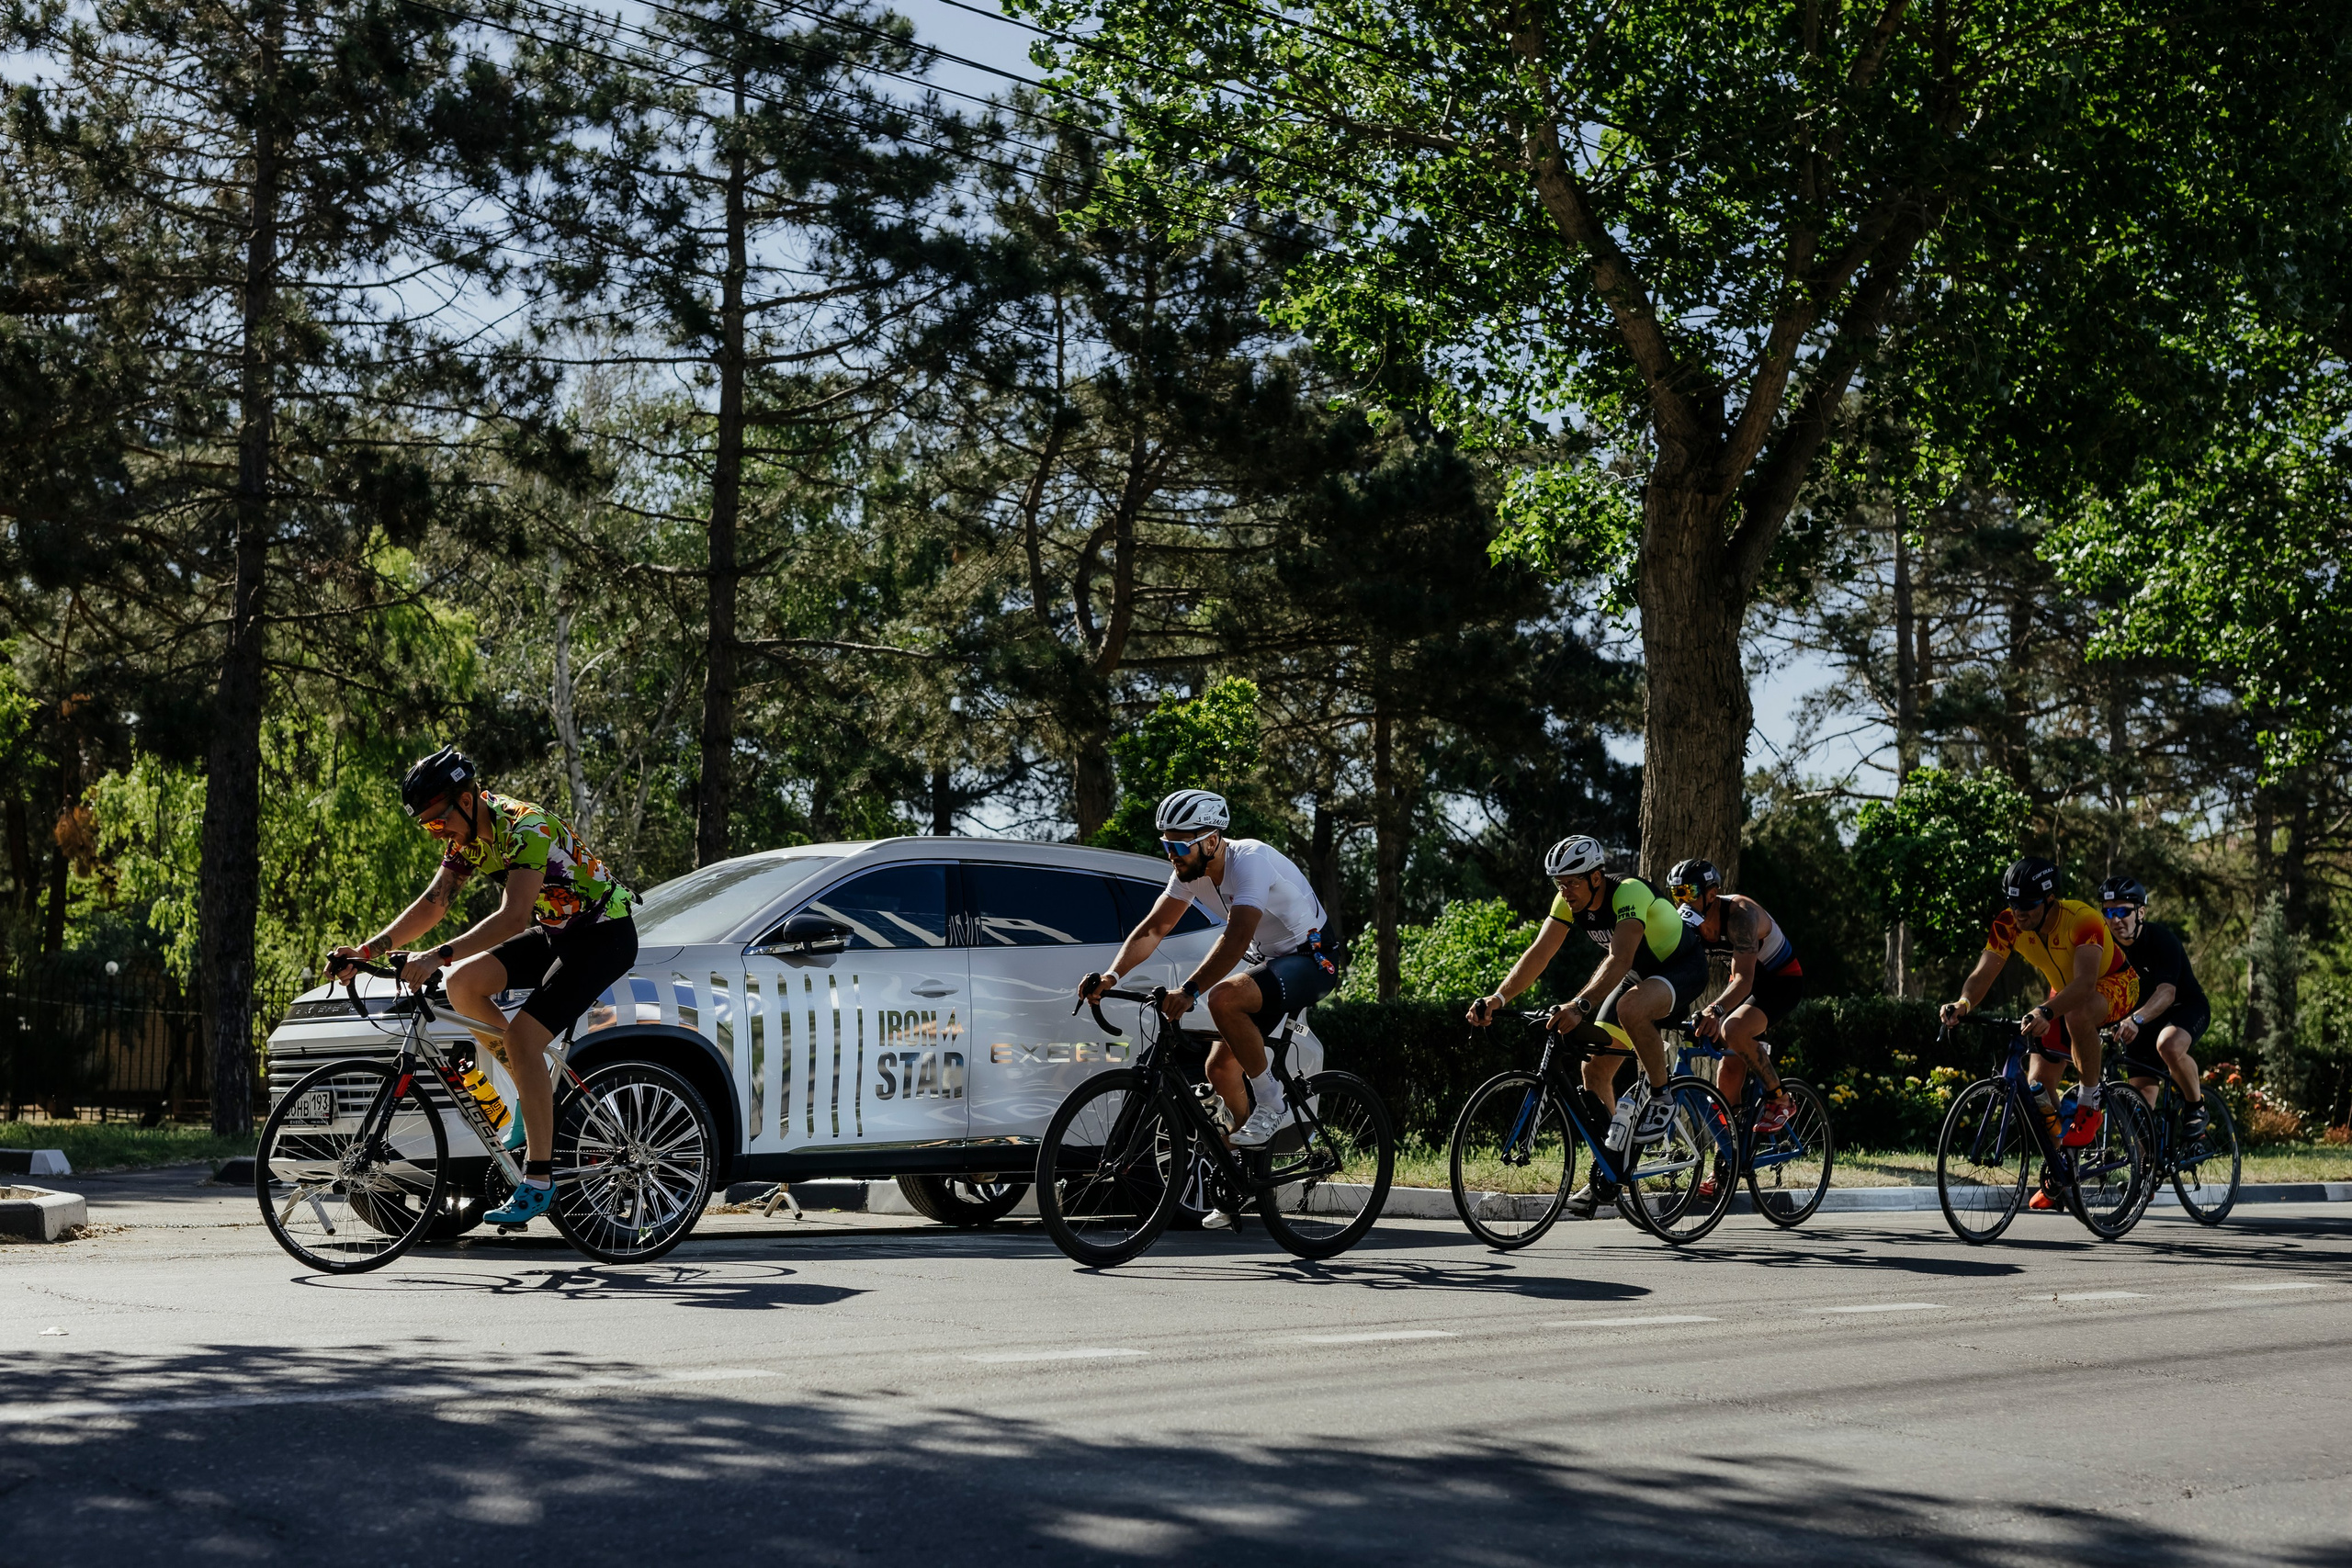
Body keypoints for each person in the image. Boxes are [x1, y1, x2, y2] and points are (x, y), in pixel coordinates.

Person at [327, 747, 639, 1228]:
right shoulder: (467, 839)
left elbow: (513, 917)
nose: (439, 832)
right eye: (428, 827)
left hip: (604, 935)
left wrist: (434, 955)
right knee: (463, 983)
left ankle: (538, 1180)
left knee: (520, 1038)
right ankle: (528, 1091)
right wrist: (365, 952)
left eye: (439, 821)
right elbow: (434, 903)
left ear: (468, 799)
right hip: (559, 931)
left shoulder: (525, 826)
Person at [1079, 789, 1339, 1156]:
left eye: (1181, 847)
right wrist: (1111, 976)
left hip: (1312, 958)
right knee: (1218, 1069)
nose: (1173, 855)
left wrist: (1189, 990)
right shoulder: (1188, 872)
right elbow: (1154, 929)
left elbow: (1237, 936)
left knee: (1223, 997)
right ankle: (1245, 1169)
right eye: (1167, 844)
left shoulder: (1250, 860)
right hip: (1269, 959)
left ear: (1212, 840)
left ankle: (1273, 1104)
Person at [1466, 834, 1708, 1219]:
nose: (1566, 890)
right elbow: (1539, 954)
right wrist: (1499, 998)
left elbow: (1620, 956)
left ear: (1597, 876)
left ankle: (1662, 1096)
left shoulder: (1628, 893)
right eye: (1559, 883)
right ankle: (1614, 1164)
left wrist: (1580, 1005)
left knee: (1630, 1007)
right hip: (1636, 977)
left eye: (1573, 881)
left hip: (1681, 968)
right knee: (1593, 1068)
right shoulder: (1567, 901)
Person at [1940, 856, 2140, 1210]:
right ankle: (2062, 1170)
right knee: (2037, 1087)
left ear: (2049, 899)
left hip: (2112, 985)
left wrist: (2048, 1011)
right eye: (2013, 903)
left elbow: (2084, 985)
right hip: (2062, 995)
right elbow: (1984, 972)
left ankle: (2090, 1103)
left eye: (2028, 905)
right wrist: (1963, 1004)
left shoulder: (2083, 920)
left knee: (2078, 1013)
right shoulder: (2009, 923)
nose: (2019, 912)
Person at [1666, 857, 1801, 1136]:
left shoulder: (1741, 914)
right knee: (1727, 1072)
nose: (1682, 901)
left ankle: (1780, 1099)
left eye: (1689, 893)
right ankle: (1727, 1157)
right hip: (1744, 982)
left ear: (1711, 893)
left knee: (1733, 1028)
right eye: (1677, 894)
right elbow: (1677, 970)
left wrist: (1715, 1010)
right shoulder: (1688, 922)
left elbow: (1744, 979)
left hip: (1780, 980)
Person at [2098, 875, 2211, 1139]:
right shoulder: (2105, 949)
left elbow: (2167, 993)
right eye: (2108, 912)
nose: (2115, 920)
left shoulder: (2161, 939)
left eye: (2123, 912)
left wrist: (2134, 1020)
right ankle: (2147, 1172)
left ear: (2141, 912)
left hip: (2185, 1008)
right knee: (2137, 1118)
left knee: (2168, 1045)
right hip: (2140, 1023)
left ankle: (2196, 1108)